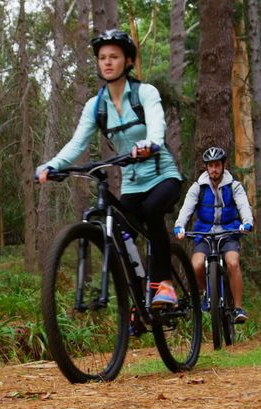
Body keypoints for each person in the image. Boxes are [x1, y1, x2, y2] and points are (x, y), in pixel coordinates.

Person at [35, 29, 183, 308]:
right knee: (119, 232)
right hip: (131, 184)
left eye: (114, 56)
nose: (107, 62)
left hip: (162, 176)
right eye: (102, 57)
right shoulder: (96, 106)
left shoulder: (145, 93)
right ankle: (137, 299)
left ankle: (165, 284)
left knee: (152, 212)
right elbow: (77, 144)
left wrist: (149, 144)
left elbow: (157, 128)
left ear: (127, 61)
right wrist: (52, 165)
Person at [173, 147, 254, 323]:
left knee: (233, 263)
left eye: (217, 165)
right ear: (206, 168)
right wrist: (179, 226)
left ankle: (238, 309)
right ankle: (208, 293)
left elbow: (243, 206)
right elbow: (187, 208)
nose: (214, 169)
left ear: (223, 166)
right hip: (204, 233)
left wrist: (247, 222)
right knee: (196, 266)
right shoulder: (198, 187)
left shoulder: (234, 186)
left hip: (228, 232)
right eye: (210, 166)